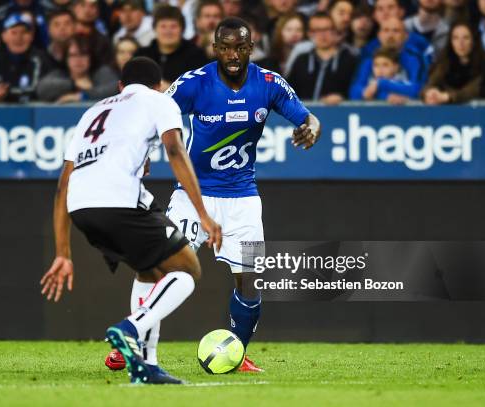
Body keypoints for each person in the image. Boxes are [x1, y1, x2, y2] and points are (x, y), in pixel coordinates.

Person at [106, 17, 321, 373]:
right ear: (215, 49)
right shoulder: (195, 84)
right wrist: (141, 155)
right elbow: (153, 114)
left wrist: (311, 129)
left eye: (240, 47)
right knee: (159, 267)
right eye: (225, 47)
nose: (232, 54)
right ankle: (133, 340)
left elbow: (308, 118)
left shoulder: (269, 83)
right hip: (193, 197)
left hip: (243, 197)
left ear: (251, 48)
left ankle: (236, 352)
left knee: (251, 280)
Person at [41, 56, 222, 385]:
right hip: (118, 202)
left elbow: (62, 186)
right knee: (186, 268)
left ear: (120, 86)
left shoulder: (93, 111)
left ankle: (145, 365)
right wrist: (203, 214)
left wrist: (63, 253)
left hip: (81, 208)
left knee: (149, 271)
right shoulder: (160, 101)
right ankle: (130, 328)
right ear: (159, 85)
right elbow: (176, 151)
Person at [0, 12, 50, 103]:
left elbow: (37, 91)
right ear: (4, 36)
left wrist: (5, 93)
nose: (19, 38)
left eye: (24, 32)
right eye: (14, 33)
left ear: (31, 36)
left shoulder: (39, 59)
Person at [350, 17, 428, 103]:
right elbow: (355, 91)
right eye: (386, 30)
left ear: (406, 36)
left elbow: (418, 90)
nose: (390, 35)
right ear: (379, 35)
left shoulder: (415, 58)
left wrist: (381, 84)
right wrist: (385, 96)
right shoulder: (369, 58)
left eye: (396, 31)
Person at [287, 11, 358, 103]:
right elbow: (288, 91)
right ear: (309, 33)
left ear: (334, 31)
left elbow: (357, 92)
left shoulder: (349, 60)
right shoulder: (301, 60)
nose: (323, 34)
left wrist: (342, 98)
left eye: (327, 29)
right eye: (317, 30)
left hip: (337, 114)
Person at [135, 4, 208, 90]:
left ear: (182, 29)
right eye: (163, 26)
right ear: (154, 29)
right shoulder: (142, 56)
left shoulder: (196, 55)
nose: (168, 31)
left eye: (173, 26)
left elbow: (201, 88)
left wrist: (171, 89)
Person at [36, 34, 119, 102]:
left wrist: (81, 96)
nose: (78, 60)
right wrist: (74, 84)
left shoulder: (102, 72)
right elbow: (42, 89)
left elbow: (115, 88)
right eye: (73, 55)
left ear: (91, 57)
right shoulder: (59, 74)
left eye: (83, 54)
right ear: (66, 59)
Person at [422, 22, 485, 104]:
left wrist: (448, 97)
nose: (460, 43)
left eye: (466, 38)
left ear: (474, 40)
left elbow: (474, 90)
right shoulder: (444, 61)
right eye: (455, 38)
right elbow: (429, 84)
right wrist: (429, 93)